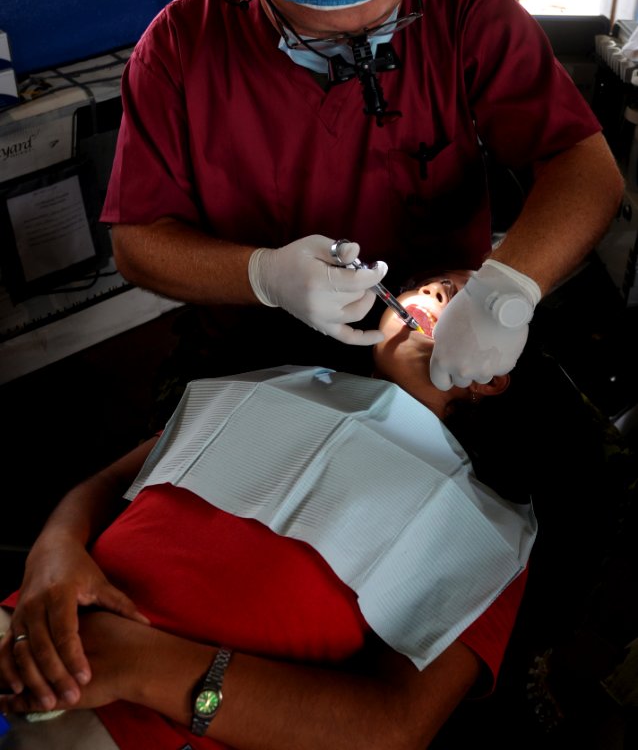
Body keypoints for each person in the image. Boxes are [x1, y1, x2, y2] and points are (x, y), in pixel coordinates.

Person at [99, 0, 623, 406]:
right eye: (319, 36)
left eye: (383, 24)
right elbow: (138, 242)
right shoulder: (178, 49)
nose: (358, 57)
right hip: (252, 353)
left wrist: (507, 289)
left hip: (450, 338)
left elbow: (582, 161)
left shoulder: (462, 6)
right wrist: (264, 276)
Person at [0, 271, 536, 749]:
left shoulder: (486, 532)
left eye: (467, 298)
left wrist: (143, 663)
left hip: (141, 730)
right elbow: (109, 483)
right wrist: (54, 551)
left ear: (493, 377)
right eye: (435, 281)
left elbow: (394, 727)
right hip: (30, 622)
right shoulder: (267, 386)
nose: (437, 289)